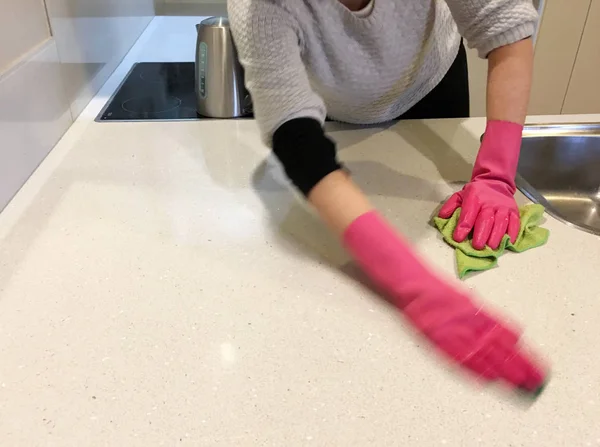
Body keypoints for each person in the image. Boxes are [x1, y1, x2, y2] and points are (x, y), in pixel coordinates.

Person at [228, 0, 546, 392]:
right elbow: (297, 139)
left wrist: (495, 173)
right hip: (330, 111)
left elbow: (507, 28)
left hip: (432, 83)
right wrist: (416, 285)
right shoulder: (258, 7)